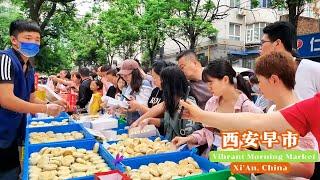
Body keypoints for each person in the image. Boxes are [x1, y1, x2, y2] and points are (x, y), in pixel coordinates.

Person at [0, 19, 64, 179]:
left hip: (13, 133)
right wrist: (46, 109)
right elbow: (6, 99)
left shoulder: (30, 68)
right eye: (28, 38)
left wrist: (52, 104)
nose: (34, 43)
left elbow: (31, 98)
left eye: (37, 40)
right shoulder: (5, 59)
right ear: (14, 40)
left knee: (12, 172)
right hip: (1, 130)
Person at [172, 61, 262, 156]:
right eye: (207, 83)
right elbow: (208, 132)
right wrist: (188, 138)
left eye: (211, 83)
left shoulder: (248, 108)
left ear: (225, 80)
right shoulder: (212, 103)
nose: (208, 87)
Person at [252, 51, 316, 179]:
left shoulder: (300, 116)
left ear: (274, 80)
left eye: (260, 81)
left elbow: (306, 169)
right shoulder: (274, 110)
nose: (259, 87)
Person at [131, 50, 212, 125]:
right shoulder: (186, 85)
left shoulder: (214, 77)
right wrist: (139, 121)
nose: (180, 70)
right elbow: (164, 105)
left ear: (194, 63)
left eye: (182, 67)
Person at [135, 66, 203, 140]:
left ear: (170, 84)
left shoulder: (187, 105)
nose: (160, 83)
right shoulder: (172, 101)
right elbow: (168, 123)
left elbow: (189, 134)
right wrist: (150, 120)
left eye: (162, 80)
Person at [260, 21, 320, 100]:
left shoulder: (313, 69)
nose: (260, 48)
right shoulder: (268, 75)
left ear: (277, 43)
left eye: (263, 42)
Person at [117, 59, 152, 125]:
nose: (124, 77)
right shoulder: (129, 86)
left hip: (142, 125)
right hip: (130, 124)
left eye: (127, 75)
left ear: (135, 73)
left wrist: (136, 105)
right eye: (123, 75)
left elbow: (146, 108)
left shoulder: (145, 83)